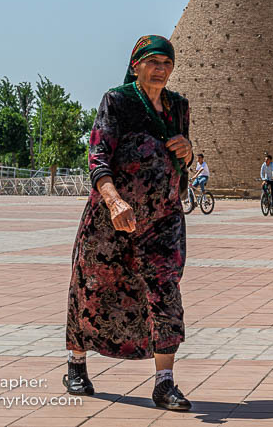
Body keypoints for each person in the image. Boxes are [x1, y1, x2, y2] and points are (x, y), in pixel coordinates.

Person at [64, 35, 195, 411]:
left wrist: (186, 151)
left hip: (163, 219)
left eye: (167, 63)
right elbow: (98, 155)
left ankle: (165, 383)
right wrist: (114, 200)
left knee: (165, 291)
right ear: (135, 65)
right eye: (153, 62)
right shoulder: (117, 101)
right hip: (112, 219)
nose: (161, 69)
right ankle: (76, 364)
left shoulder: (178, 106)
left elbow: (180, 159)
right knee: (92, 288)